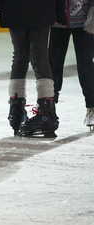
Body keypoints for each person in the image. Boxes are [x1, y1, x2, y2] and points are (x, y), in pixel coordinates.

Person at [0, 0, 66, 138]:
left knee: (21, 56)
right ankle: (46, 113)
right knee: (39, 56)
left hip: (15, 7)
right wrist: (60, 9)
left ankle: (17, 111)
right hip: (40, 7)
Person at [48, 0, 94, 131]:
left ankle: (92, 106)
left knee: (86, 64)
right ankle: (49, 106)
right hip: (58, 18)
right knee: (53, 63)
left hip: (85, 19)